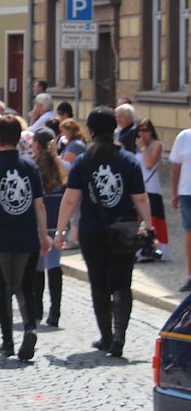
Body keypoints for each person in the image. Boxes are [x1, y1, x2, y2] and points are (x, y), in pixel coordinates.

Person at [55, 106, 153, 357]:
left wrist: (60, 230)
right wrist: (149, 226)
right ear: (114, 129)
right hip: (125, 228)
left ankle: (106, 337)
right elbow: (140, 198)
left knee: (98, 284)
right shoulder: (128, 160)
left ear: (91, 130)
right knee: (122, 283)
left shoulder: (82, 161)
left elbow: (70, 199)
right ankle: (120, 335)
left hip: (92, 229)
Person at [0, 115, 51, 361]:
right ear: (19, 137)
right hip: (26, 235)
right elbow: (39, 205)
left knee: (3, 289)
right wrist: (43, 234)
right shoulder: (30, 167)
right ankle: (29, 327)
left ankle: (7, 342)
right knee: (25, 285)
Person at [31, 128, 66, 327]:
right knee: (54, 265)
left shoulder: (33, 167)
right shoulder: (62, 166)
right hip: (57, 221)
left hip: (39, 223)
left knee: (38, 267)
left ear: (36, 144)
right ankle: (55, 312)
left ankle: (37, 310)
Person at [135, 118, 168, 261]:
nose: (142, 134)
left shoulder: (157, 145)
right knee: (139, 219)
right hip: (139, 186)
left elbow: (149, 163)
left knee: (153, 219)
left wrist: (142, 148)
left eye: (145, 131)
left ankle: (157, 249)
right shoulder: (137, 145)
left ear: (151, 131)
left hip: (152, 187)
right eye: (140, 131)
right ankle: (141, 249)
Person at [170, 107, 191, 292]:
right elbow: (176, 166)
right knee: (189, 233)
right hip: (187, 193)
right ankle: (190, 275)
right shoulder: (184, 137)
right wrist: (174, 192)